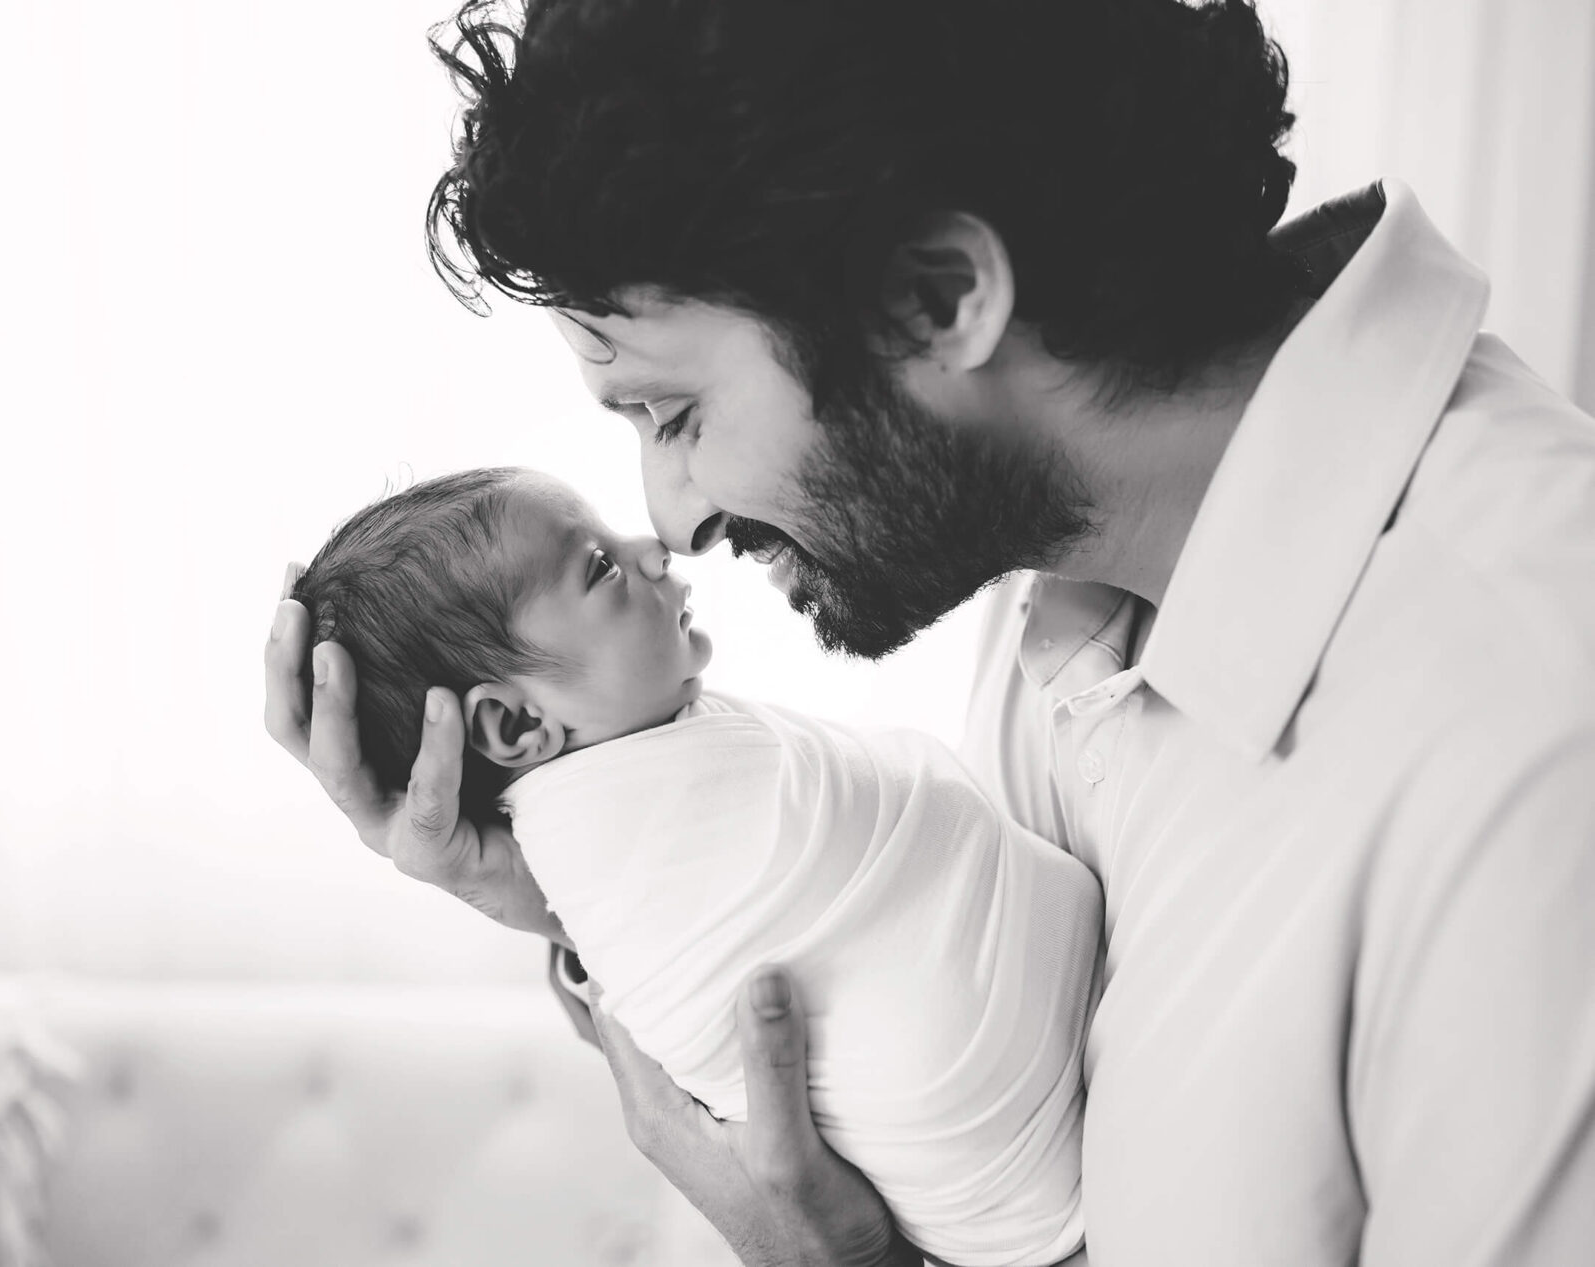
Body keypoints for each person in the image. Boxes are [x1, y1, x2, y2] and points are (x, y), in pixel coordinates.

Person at [264, 0, 1595, 1262]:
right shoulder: (1063, 566)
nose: (667, 518)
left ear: (944, 295)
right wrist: (554, 870)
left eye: (673, 414)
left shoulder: (1533, 752)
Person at [290, 465, 1102, 1264]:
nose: (654, 546)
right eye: (599, 566)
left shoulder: (635, 806)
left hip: (1034, 1152)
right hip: (1014, 1150)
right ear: (511, 722)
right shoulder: (611, 845)